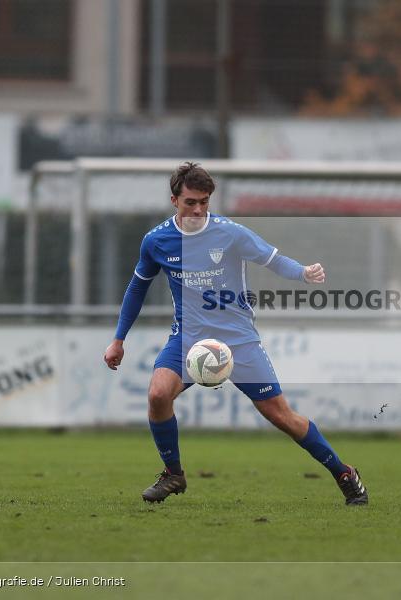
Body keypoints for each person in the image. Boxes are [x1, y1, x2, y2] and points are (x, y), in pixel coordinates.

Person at [103, 162, 368, 506]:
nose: (198, 209)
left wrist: (303, 273)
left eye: (204, 202)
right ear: (174, 200)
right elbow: (137, 288)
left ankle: (344, 473)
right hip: (188, 340)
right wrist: (119, 339)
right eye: (191, 202)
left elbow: (273, 259)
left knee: (281, 416)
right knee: (157, 395)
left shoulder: (231, 233)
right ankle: (173, 474)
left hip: (239, 341)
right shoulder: (156, 241)